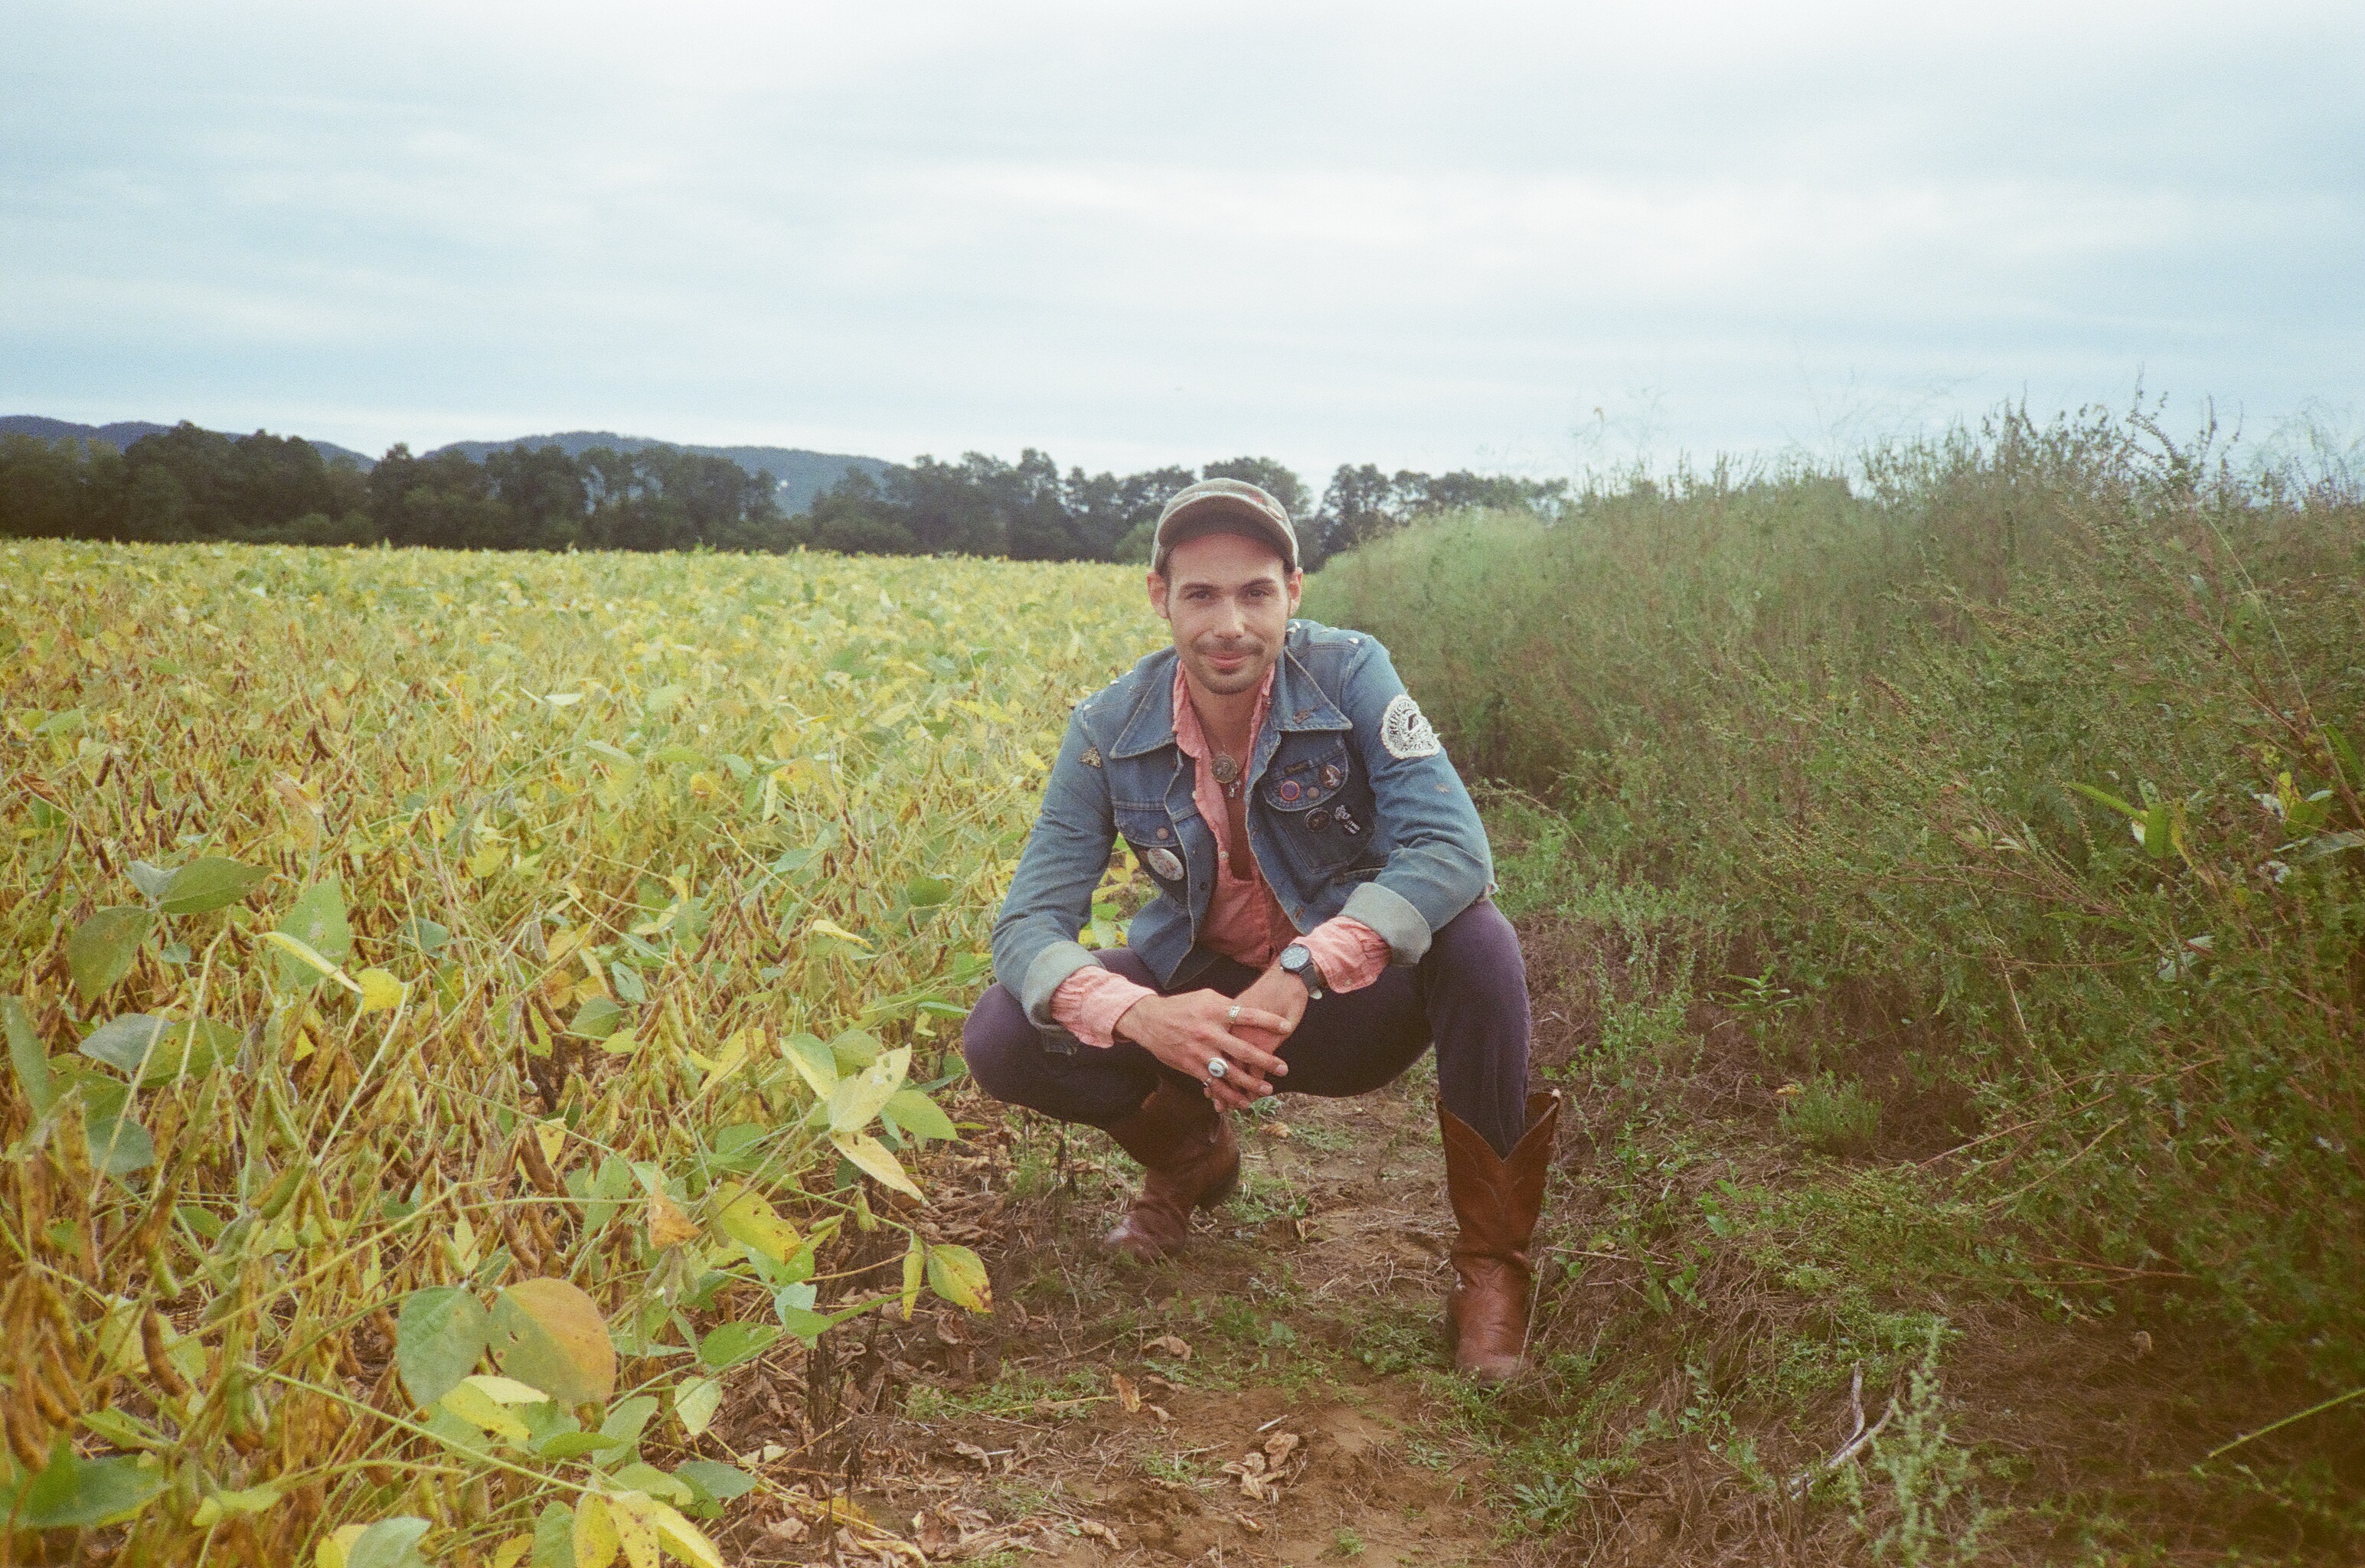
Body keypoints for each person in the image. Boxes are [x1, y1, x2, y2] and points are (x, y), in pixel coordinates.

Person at [962, 477, 1558, 1381]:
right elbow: (1027, 922)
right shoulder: (1104, 727)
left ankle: (1490, 1268)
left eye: (1254, 593)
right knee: (1002, 1030)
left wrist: (1306, 962)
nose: (1228, 624)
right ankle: (1189, 1157)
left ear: (1293, 592)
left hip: (1344, 1007)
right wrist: (1141, 1015)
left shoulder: (1351, 673)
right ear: (1160, 597)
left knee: (1479, 940)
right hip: (1200, 1008)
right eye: (1200, 594)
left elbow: (1451, 849)